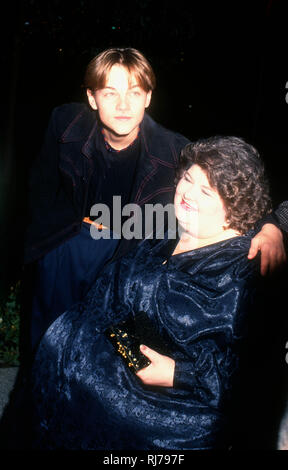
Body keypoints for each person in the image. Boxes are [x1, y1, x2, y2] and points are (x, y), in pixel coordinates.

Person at [23, 47, 286, 359]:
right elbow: (40, 184)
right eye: (110, 93)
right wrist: (46, 247)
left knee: (95, 352)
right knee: (44, 343)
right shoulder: (65, 122)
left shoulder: (174, 148)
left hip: (123, 253)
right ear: (92, 98)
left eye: (135, 92)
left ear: (148, 97)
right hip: (67, 241)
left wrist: (272, 228)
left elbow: (233, 193)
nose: (123, 105)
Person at [24, 136, 277, 450]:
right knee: (60, 348)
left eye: (205, 190)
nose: (187, 193)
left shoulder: (246, 272)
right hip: (124, 359)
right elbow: (111, 289)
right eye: (187, 179)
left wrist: (180, 374)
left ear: (233, 206)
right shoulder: (166, 236)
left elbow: (256, 374)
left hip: (177, 405)